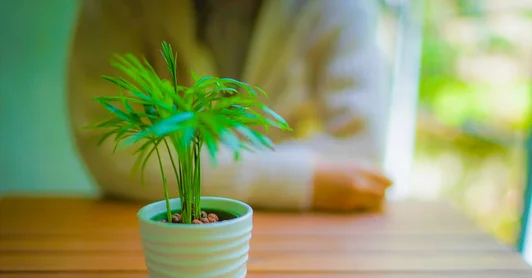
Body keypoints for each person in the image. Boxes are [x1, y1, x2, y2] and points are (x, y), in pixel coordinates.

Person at [68, 0, 393, 212]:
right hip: (147, 230)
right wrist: (304, 178)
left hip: (298, 239)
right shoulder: (116, 8)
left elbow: (362, 156)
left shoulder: (344, 8)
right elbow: (108, 146)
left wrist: (260, 177)